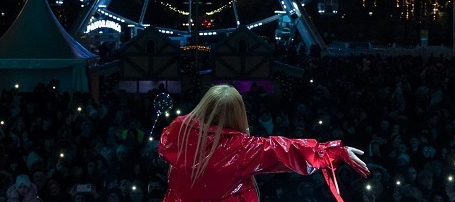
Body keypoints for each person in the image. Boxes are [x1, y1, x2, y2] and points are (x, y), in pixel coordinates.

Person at [157, 85, 369, 202]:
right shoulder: (241, 148)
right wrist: (334, 151)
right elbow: (286, 150)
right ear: (239, 114)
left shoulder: (177, 131)